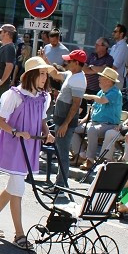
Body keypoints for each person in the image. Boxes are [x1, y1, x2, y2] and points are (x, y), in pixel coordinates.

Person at [0, 57, 55, 247]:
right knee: (18, 187)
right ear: (31, 75)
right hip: (15, 145)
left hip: (30, 146)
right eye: (41, 73)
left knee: (15, 185)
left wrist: (47, 134)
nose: (44, 77)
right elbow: (0, 121)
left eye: (46, 74)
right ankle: (19, 234)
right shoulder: (14, 95)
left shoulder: (44, 97)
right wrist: (16, 132)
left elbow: (42, 121)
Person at [71, 66, 122, 167]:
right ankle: (81, 155)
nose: (98, 79)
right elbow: (92, 112)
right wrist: (82, 121)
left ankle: (90, 160)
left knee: (92, 130)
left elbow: (102, 100)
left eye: (101, 77)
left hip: (109, 125)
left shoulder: (115, 92)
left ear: (108, 81)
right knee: (72, 128)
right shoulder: (100, 92)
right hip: (94, 123)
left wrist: (87, 96)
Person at [50, 49, 87, 188]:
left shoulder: (78, 79)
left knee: (63, 155)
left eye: (70, 61)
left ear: (76, 63)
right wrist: (45, 61)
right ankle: (60, 184)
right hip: (61, 120)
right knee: (61, 153)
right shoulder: (72, 74)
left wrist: (65, 124)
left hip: (65, 122)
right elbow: (56, 74)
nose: (67, 62)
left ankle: (61, 185)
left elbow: (76, 104)